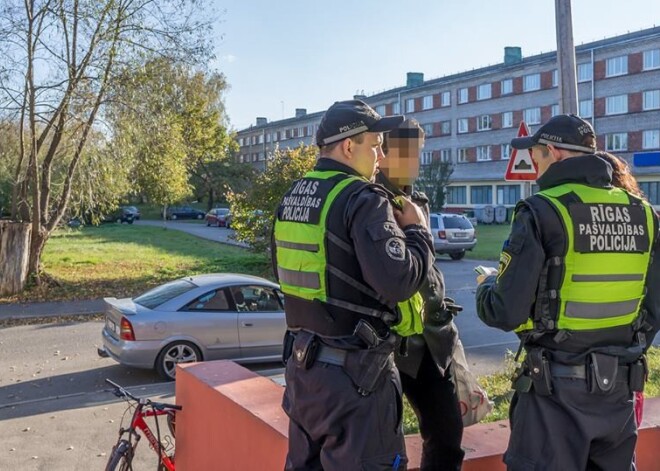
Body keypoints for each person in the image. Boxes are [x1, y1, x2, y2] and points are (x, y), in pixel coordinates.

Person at [475, 114, 660, 471]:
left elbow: (506, 311)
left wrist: (486, 289)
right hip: (619, 394)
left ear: (554, 153)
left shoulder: (542, 210)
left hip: (554, 398)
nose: (534, 165)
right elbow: (654, 307)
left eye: (537, 155)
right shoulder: (645, 214)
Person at [272, 99, 435, 470]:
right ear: (349, 146)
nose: (380, 154)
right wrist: (418, 232)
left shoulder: (294, 196)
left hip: (304, 375)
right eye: (375, 144)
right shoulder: (363, 198)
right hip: (356, 382)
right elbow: (400, 281)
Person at [377, 121, 464, 471]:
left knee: (447, 435)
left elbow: (429, 271)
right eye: (405, 153)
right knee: (384, 445)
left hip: (430, 342)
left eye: (417, 153)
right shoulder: (368, 203)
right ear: (381, 153)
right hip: (386, 345)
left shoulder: (419, 202)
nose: (413, 161)